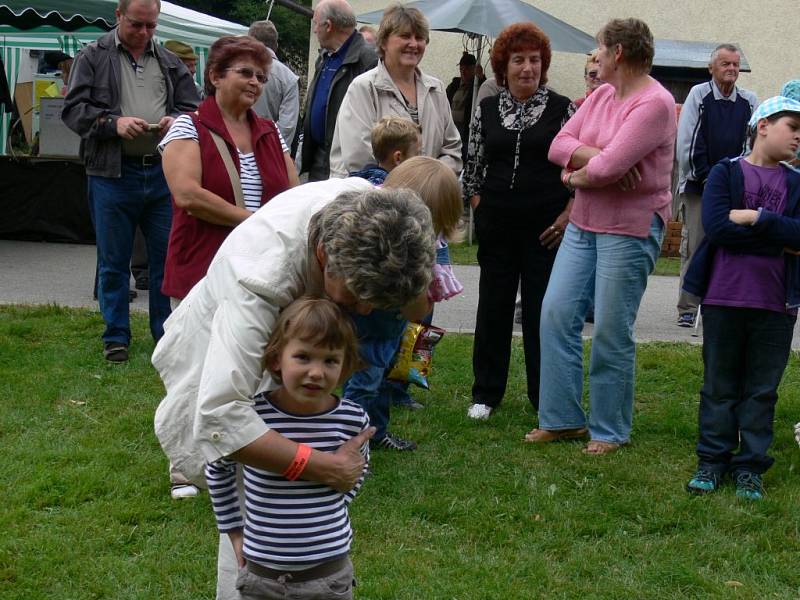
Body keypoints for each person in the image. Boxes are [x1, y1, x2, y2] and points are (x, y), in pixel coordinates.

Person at [152, 181, 435, 599]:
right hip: (227, 342)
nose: (363, 312)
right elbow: (222, 417)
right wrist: (324, 468)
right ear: (325, 258)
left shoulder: (375, 207)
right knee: (252, 488)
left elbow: (418, 303)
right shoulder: (260, 278)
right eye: (357, 298)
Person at [527, 18, 677, 454]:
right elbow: (559, 143)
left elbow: (610, 171)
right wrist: (592, 159)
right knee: (555, 313)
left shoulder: (655, 104)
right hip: (586, 223)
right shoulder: (605, 95)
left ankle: (610, 429)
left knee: (612, 329)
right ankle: (561, 419)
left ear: (620, 54)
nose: (595, 57)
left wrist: (573, 178)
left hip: (630, 227)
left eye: (599, 49)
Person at [62, 0, 200, 363]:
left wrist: (177, 119)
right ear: (118, 16)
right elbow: (73, 111)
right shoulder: (92, 56)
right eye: (137, 25)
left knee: (163, 260)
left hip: (161, 170)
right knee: (113, 259)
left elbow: (194, 107)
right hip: (111, 172)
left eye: (151, 26)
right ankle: (116, 337)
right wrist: (113, 124)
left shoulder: (169, 61)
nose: (144, 33)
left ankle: (164, 336)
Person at [205, 297, 367, 598]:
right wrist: (234, 532)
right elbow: (217, 468)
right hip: (262, 577)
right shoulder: (253, 418)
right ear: (277, 359)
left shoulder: (352, 419)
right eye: (303, 357)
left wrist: (329, 511)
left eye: (330, 360)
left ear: (345, 365)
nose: (317, 372)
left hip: (329, 576)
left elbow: (357, 468)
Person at [682, 97, 800, 500]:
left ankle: (750, 466)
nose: (799, 137)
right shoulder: (725, 172)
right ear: (764, 125)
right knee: (719, 385)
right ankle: (712, 460)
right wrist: (780, 239)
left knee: (761, 389)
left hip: (776, 305)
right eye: (793, 126)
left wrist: (756, 218)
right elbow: (716, 227)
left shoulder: (796, 182)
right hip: (724, 298)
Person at [462, 23, 575, 421]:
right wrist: (479, 204)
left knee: (541, 312)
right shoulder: (487, 108)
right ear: (503, 66)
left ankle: (543, 395)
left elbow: (577, 173)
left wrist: (566, 216)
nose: (527, 68)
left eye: (534, 60)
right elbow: (472, 166)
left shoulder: (564, 109)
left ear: (543, 65)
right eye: (518, 60)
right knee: (492, 308)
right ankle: (486, 393)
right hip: (497, 227)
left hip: (546, 231)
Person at [160, 35, 298, 307]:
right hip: (202, 269)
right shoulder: (189, 127)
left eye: (261, 77)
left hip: (261, 271)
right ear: (215, 76)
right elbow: (188, 195)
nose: (255, 82)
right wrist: (254, 221)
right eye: (246, 73)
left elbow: (293, 197)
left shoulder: (271, 132)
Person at [345, 156, 463, 451]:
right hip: (370, 322)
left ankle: (378, 431)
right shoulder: (378, 227)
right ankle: (349, 443)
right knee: (364, 383)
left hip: (394, 325)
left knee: (385, 377)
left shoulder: (431, 238)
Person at [328, 4, 462, 178]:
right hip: (372, 199)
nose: (414, 44)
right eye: (405, 36)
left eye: (420, 37)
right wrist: (414, 182)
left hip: (426, 199)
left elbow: (452, 150)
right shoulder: (363, 88)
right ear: (384, 42)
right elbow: (360, 159)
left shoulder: (436, 89)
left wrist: (430, 181)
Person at [675, 44, 757, 328]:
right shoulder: (699, 94)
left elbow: (750, 144)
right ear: (712, 68)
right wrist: (709, 177)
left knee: (732, 243)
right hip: (700, 184)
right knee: (696, 244)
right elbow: (688, 142)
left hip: (734, 185)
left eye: (735, 64)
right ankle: (687, 306)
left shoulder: (748, 101)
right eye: (725, 64)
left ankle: (722, 302)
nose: (731, 69)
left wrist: (737, 179)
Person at [300, 0, 377, 181]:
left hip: (346, 166)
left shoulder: (368, 60)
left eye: (315, 23)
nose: (314, 30)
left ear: (328, 26)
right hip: (318, 160)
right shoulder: (325, 56)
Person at [248, 20, 301, 147]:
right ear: (276, 45)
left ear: (250, 41)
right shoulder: (289, 78)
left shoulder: (235, 68)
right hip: (270, 148)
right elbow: (287, 127)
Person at [349, 115, 421, 184]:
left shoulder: (362, 178)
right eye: (417, 154)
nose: (420, 159)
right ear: (398, 158)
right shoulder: (387, 192)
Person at [446, 52, 485, 163]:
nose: (463, 72)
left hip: (467, 131)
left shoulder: (477, 85)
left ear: (474, 69)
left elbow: (483, 96)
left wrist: (481, 78)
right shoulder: (454, 85)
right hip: (451, 129)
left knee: (466, 158)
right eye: (461, 69)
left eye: (467, 69)